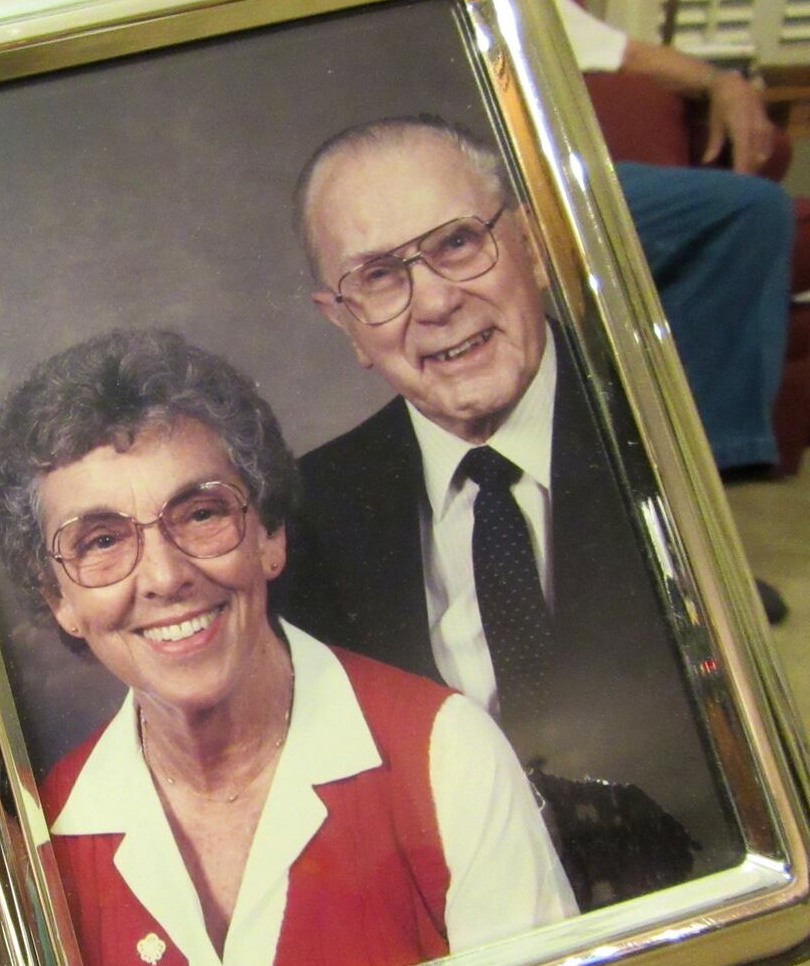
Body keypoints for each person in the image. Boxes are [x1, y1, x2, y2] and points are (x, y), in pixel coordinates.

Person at [0, 329, 574, 966]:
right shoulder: (46, 837)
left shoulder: (446, 757)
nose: (165, 577)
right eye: (101, 541)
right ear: (58, 600)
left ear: (268, 534)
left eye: (200, 514)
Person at [283, 116, 743, 909]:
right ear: (344, 322)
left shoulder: (665, 423)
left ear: (528, 244)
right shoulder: (308, 509)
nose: (435, 302)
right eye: (381, 277)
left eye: (458, 243)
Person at [549, 0, 793, 485]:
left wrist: (722, 83)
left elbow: (628, 54)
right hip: (418, 181)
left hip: (546, 180)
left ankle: (703, 486)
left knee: (750, 208)